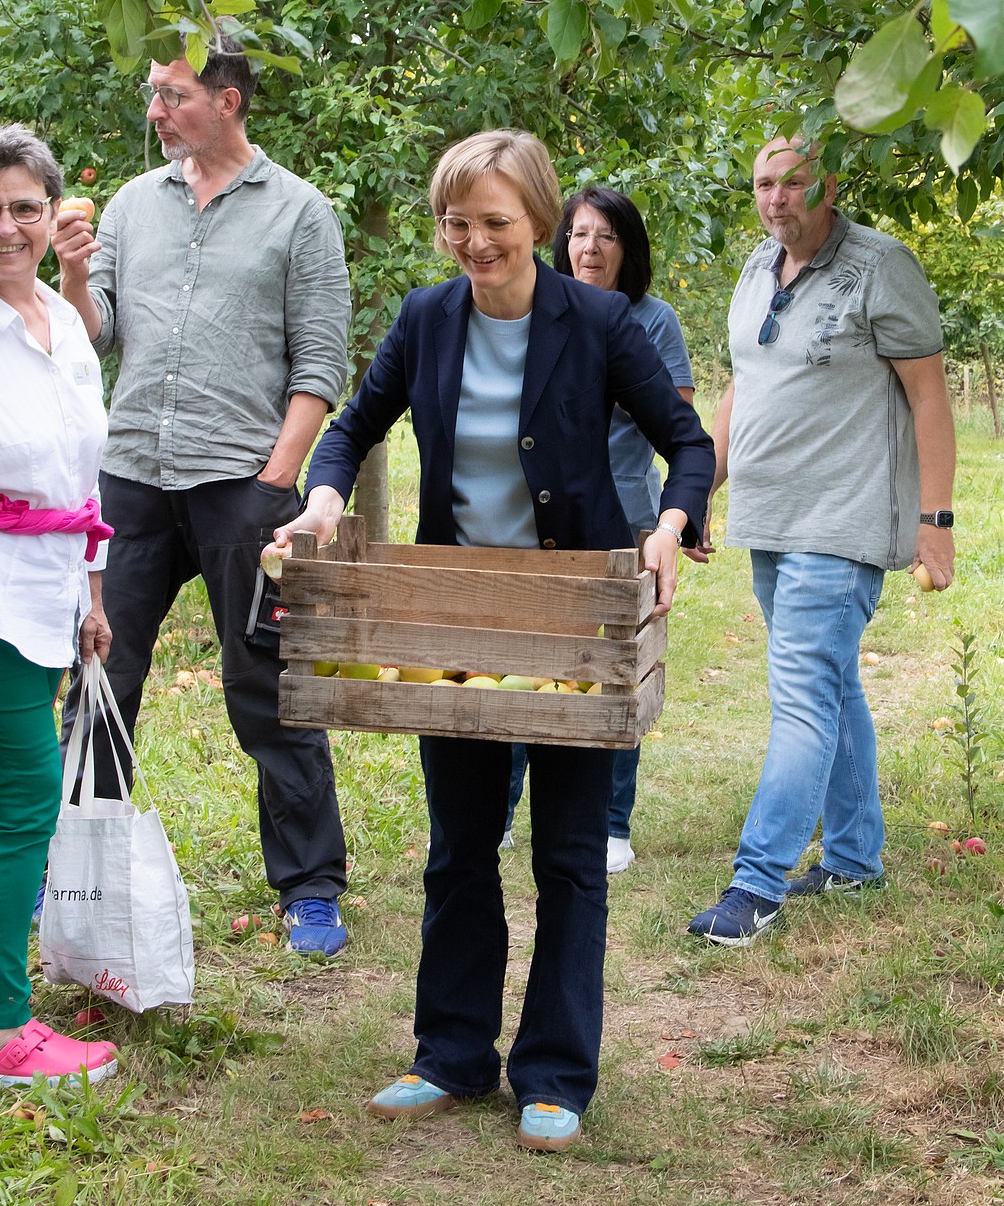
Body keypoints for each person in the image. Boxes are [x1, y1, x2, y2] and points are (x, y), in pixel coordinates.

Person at [270, 130, 714, 1150]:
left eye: (494, 222)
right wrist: (324, 497)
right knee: (459, 846)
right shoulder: (426, 318)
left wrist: (666, 525)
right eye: (455, 222)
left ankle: (554, 1070)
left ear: (539, 221)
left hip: (574, 617)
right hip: (457, 614)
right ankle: (451, 1054)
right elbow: (353, 425)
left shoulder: (596, 320)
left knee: (569, 854)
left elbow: (686, 443)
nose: (473, 241)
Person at [52, 32, 353, 956]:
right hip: (130, 478)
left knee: (266, 683)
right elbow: (90, 336)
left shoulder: (300, 211)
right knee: (101, 673)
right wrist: (73, 271)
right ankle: (74, 873)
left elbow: (320, 363)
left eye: (173, 94)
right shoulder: (132, 206)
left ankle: (310, 887)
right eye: (153, 92)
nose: (155, 111)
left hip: (240, 485)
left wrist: (275, 480)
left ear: (228, 100)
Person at [686, 137, 956, 947]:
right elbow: (743, 385)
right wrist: (698, 490)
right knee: (831, 687)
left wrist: (935, 522)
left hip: (843, 520)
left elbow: (928, 396)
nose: (775, 198)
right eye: (762, 183)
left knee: (801, 694)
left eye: (792, 182)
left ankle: (754, 883)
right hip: (769, 517)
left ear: (827, 185)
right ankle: (853, 859)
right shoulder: (754, 266)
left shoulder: (881, 265)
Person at [0, 124, 118, 1086]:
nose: (4, 227)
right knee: (18, 803)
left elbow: (80, 477)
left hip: (46, 593)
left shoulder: (61, 320)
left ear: (53, 214)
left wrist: (92, 593)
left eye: (23, 208)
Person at [502, 187, 697, 875]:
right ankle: (502, 812)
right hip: (542, 519)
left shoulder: (652, 320)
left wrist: (682, 519)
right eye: (579, 234)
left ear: (626, 249)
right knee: (524, 661)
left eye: (606, 236)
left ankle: (611, 822)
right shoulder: (535, 310)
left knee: (612, 672)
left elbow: (676, 424)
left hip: (626, 517)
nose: (589, 247)